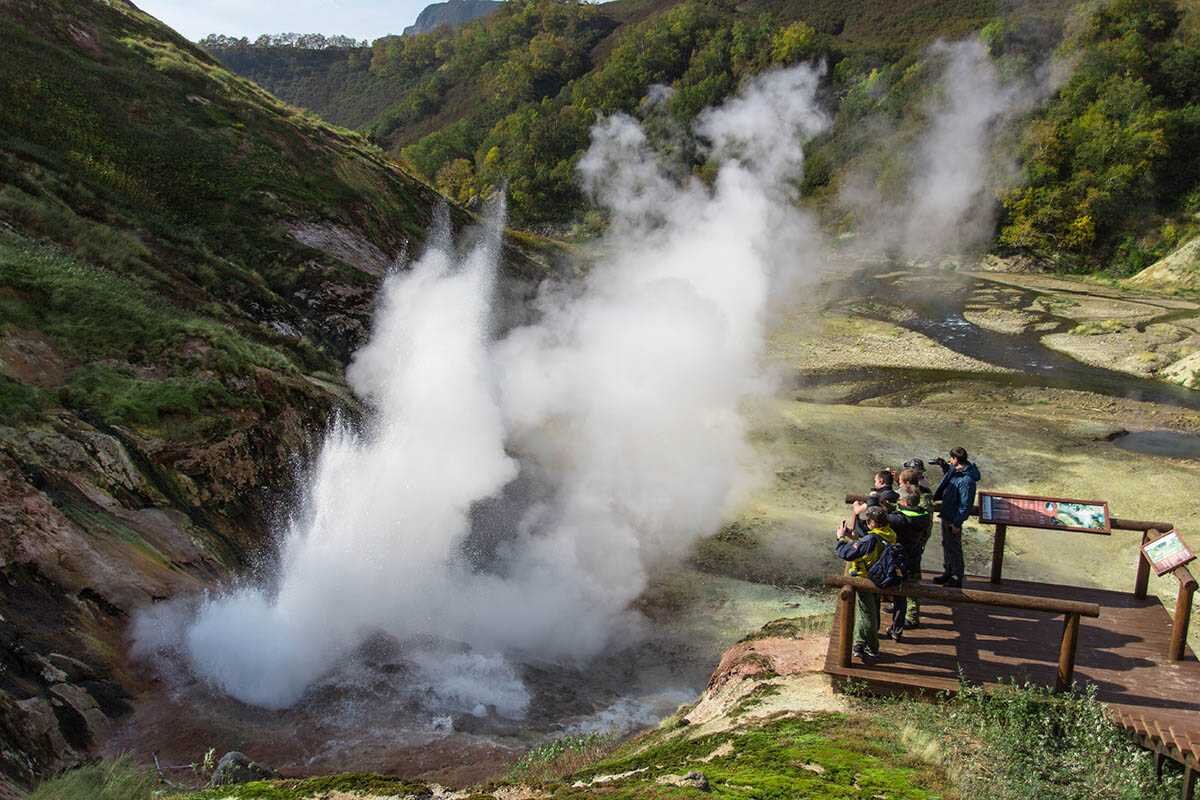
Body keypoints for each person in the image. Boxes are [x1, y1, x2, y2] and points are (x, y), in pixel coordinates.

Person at [834, 506, 897, 660]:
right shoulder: (889, 533)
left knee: (867, 614)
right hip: (880, 577)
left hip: (866, 579)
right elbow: (870, 547)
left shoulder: (871, 539)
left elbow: (847, 554)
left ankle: (872, 647)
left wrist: (841, 538)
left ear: (872, 523)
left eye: (868, 520)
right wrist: (854, 538)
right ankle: (861, 641)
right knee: (872, 609)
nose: (866, 523)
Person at [931, 447, 981, 588]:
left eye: (951, 459)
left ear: (956, 459)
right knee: (947, 545)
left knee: (954, 548)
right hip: (947, 513)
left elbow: (965, 505)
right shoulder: (957, 470)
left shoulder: (967, 481)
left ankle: (956, 576)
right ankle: (948, 572)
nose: (950, 460)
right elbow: (950, 476)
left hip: (953, 518)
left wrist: (957, 523)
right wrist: (944, 466)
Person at [886, 490, 931, 638]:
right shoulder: (923, 516)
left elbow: (886, 519)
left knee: (900, 591)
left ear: (904, 503)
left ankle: (906, 621)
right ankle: (907, 621)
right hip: (915, 556)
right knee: (911, 587)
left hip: (900, 559)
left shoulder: (899, 520)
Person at [896, 467, 934, 628]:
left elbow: (923, 523)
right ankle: (899, 604)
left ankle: (912, 615)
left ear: (905, 483)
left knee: (911, 578)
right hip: (915, 543)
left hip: (911, 544)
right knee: (902, 576)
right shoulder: (920, 496)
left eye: (900, 483)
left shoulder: (920, 499)